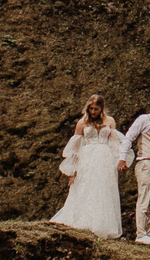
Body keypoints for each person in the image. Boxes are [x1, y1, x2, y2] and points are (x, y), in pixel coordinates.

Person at [47, 93, 129, 237]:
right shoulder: (82, 123)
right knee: (86, 186)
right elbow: (75, 148)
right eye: (91, 108)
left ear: (101, 109)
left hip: (104, 158)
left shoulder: (110, 121)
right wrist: (73, 171)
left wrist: (120, 160)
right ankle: (83, 220)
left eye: (96, 109)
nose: (93, 112)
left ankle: (101, 224)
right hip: (87, 157)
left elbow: (114, 142)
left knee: (103, 188)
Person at [117, 99, 150, 245]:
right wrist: (122, 158)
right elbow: (129, 137)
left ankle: (146, 233)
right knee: (145, 198)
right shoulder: (144, 120)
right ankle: (140, 233)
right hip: (146, 162)